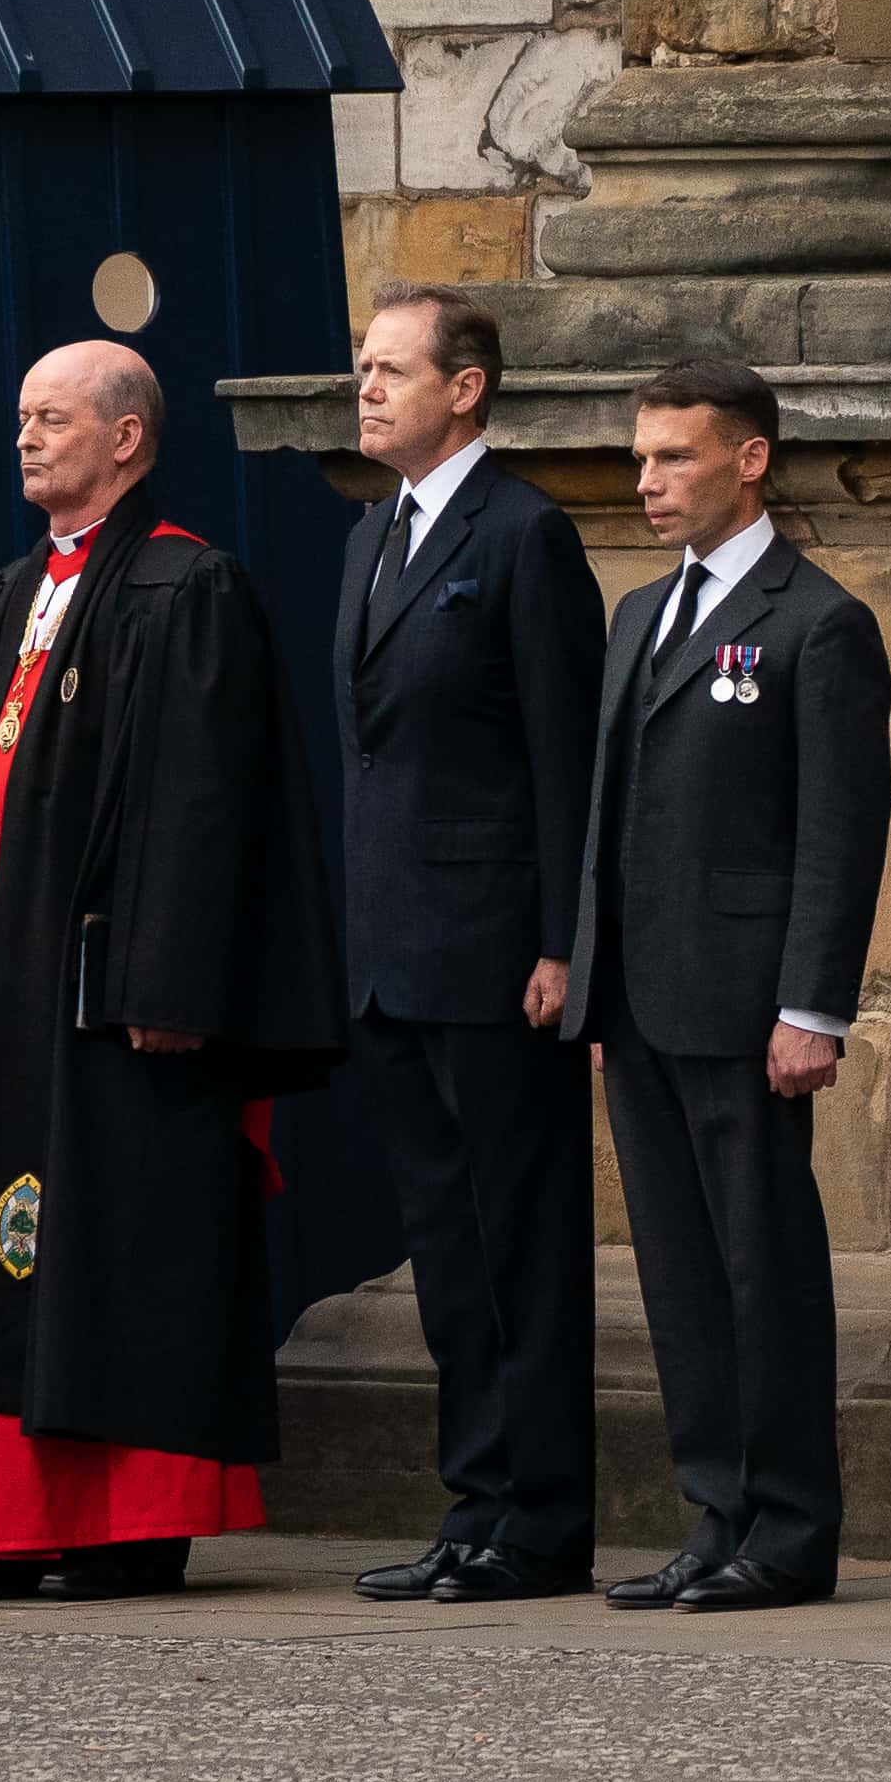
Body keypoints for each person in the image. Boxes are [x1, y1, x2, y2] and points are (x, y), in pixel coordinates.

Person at [0, 341, 345, 1603]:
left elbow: (202, 813)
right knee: (11, 1249)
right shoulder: (17, 586)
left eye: (53, 418)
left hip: (116, 1000)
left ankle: (126, 1524)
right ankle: (19, 1523)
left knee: (114, 1250)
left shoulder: (191, 587)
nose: (24, 437)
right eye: (19, 415)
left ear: (126, 438)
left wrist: (166, 987)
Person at [563, 356, 891, 1616]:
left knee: (763, 1265)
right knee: (679, 1271)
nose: (647, 481)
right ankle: (715, 1512)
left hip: (749, 1002)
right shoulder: (641, 613)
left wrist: (813, 1006)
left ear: (750, 459)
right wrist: (593, 977)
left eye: (674, 456)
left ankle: (790, 1528)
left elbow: (837, 831)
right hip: (644, 1000)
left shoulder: (818, 621)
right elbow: (611, 814)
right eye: (641, 458)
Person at [333, 286, 608, 1610]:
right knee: (449, 1250)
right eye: (363, 367)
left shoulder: (525, 534)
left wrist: (563, 939)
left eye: (394, 368)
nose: (369, 387)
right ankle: (475, 1501)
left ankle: (542, 1515)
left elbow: (566, 756)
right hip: (395, 952)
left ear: (469, 388)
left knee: (520, 1245)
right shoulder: (372, 537)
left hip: (499, 952)